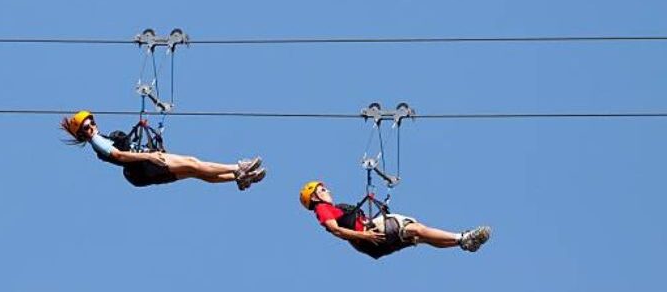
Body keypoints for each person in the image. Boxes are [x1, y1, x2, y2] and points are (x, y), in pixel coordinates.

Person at [62, 110, 266, 190]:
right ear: (83, 134)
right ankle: (239, 167)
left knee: (196, 172)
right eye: (86, 128)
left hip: (144, 174)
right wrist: (149, 154)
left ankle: (239, 177)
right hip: (147, 165)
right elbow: (119, 155)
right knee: (194, 163)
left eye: (91, 123)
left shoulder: (100, 139)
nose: (91, 128)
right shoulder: (97, 141)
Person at [299, 181, 490, 259]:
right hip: (371, 238)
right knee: (415, 229)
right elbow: (336, 230)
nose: (328, 190)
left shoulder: (333, 208)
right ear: (314, 197)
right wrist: (363, 235)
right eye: (322, 190)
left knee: (420, 236)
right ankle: (463, 238)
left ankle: (463, 242)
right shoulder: (322, 209)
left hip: (373, 245)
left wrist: (364, 234)